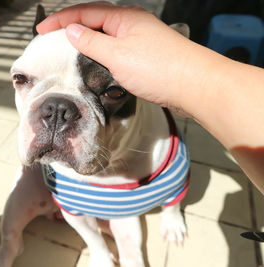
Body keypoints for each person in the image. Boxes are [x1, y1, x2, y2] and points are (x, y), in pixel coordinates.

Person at [36, 2, 264, 194]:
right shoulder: (56, 183)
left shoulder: (169, 158)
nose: (57, 114)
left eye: (111, 92)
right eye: (24, 79)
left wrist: (186, 71)